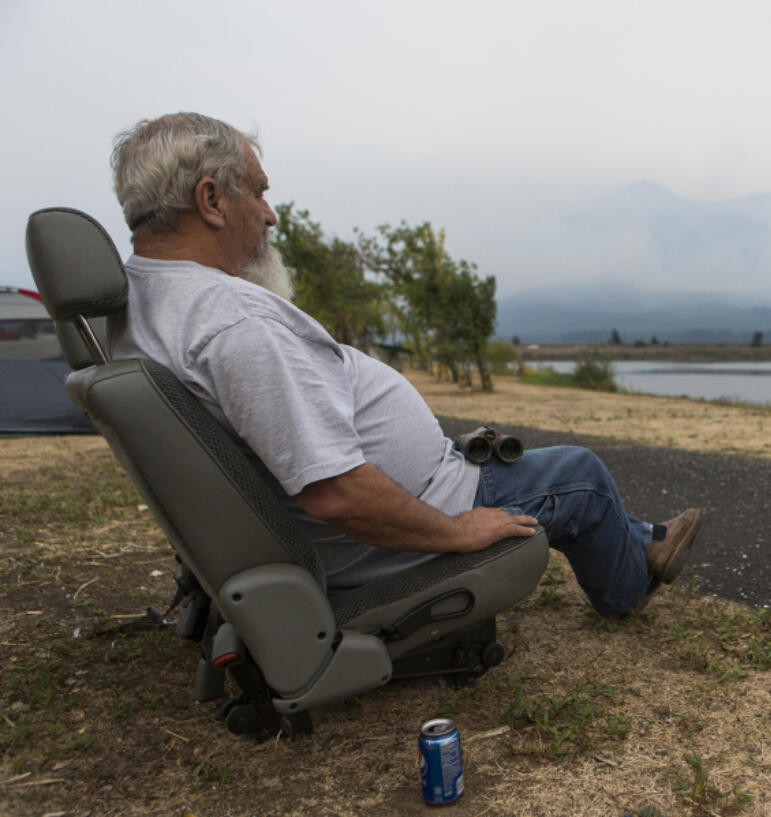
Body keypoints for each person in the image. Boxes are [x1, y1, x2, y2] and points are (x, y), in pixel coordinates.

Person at [107, 112, 700, 617]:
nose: (270, 215)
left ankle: (646, 537)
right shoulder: (234, 325)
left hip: (365, 523)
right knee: (581, 474)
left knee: (555, 474)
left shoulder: (145, 300)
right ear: (211, 199)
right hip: (395, 536)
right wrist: (456, 530)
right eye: (257, 192)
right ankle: (629, 584)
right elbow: (337, 494)